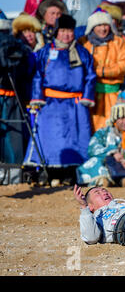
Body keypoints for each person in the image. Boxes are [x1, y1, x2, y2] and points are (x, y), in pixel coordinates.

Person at [23, 14, 97, 184]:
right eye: (63, 30)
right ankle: (47, 172)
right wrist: (37, 98)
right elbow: (37, 76)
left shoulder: (82, 53)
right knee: (48, 139)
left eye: (69, 31)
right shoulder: (46, 52)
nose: (66, 34)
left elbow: (90, 77)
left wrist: (87, 97)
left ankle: (71, 174)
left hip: (75, 103)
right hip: (50, 103)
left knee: (76, 140)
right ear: (56, 32)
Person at [79, 8, 125, 132]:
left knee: (114, 127)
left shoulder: (118, 42)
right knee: (91, 127)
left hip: (113, 95)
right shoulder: (84, 43)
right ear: (92, 26)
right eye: (99, 25)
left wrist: (101, 72)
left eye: (106, 25)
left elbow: (124, 65)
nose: (103, 29)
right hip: (90, 95)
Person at [0, 16, 34, 164]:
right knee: (13, 135)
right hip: (13, 96)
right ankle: (14, 170)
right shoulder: (19, 47)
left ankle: (12, 171)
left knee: (12, 136)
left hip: (12, 96)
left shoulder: (19, 48)